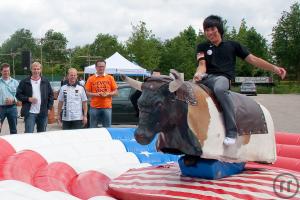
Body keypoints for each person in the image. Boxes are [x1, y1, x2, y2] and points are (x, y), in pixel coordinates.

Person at [193, 15, 286, 145]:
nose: (209, 33)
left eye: (212, 29)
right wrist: (198, 74)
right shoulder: (202, 46)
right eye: (206, 30)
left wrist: (275, 68)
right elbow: (202, 65)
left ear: (219, 29)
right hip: (206, 78)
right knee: (188, 89)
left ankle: (231, 131)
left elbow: (253, 60)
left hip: (222, 78)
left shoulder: (233, 45)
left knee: (220, 89)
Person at [16, 62, 54, 133]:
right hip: (30, 113)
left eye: (38, 69)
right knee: (29, 133)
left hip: (42, 112)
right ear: (31, 70)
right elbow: (18, 95)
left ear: (41, 70)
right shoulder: (24, 82)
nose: (36, 71)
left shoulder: (45, 81)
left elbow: (51, 95)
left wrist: (49, 108)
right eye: (34, 69)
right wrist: (28, 99)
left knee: (42, 134)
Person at [85, 59, 118, 128]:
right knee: (93, 128)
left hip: (107, 107)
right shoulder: (91, 78)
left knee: (107, 129)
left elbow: (116, 92)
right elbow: (87, 93)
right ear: (96, 67)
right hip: (94, 107)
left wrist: (108, 94)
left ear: (105, 67)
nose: (101, 68)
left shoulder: (110, 78)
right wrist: (96, 94)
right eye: (99, 66)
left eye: (103, 66)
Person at [0, 63, 19, 134]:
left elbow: (19, 96)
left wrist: (14, 100)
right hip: (0, 108)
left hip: (12, 108)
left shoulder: (15, 82)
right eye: (5, 71)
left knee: (13, 129)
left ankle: (13, 144)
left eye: (8, 71)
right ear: (1, 71)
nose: (6, 72)